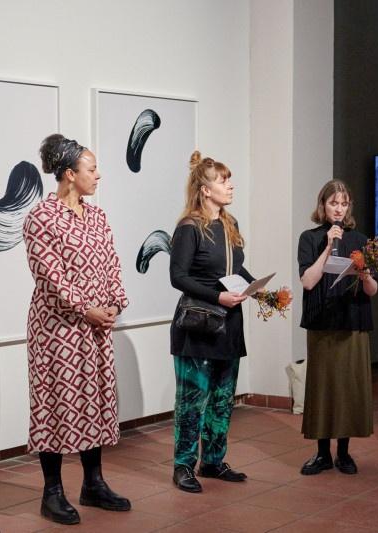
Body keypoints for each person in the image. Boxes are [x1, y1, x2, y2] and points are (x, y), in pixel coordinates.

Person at [23, 134, 131, 524]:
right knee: (55, 402)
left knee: (96, 399)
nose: (98, 175)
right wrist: (86, 309)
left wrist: (115, 304)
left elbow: (113, 265)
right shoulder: (40, 217)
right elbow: (49, 274)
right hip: (58, 330)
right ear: (69, 174)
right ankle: (52, 493)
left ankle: (93, 483)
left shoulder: (97, 216)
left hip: (97, 326)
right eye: (91, 168)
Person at [168, 151, 256, 493]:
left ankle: (213, 462)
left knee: (222, 398)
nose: (230, 185)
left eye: (228, 180)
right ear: (205, 190)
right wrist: (217, 296)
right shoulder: (189, 227)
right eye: (222, 181)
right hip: (198, 325)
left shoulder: (229, 225)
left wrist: (261, 290)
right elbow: (178, 276)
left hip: (228, 325)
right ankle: (183, 466)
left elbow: (233, 271)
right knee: (192, 401)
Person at [297, 180, 377, 476]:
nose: (339, 209)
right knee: (322, 386)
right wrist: (329, 246)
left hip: (353, 319)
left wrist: (366, 276)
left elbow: (372, 290)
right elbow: (307, 281)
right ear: (323, 205)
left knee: (348, 387)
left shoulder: (361, 239)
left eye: (344, 204)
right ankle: (321, 454)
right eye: (333, 203)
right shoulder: (310, 238)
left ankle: (344, 453)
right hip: (321, 320)